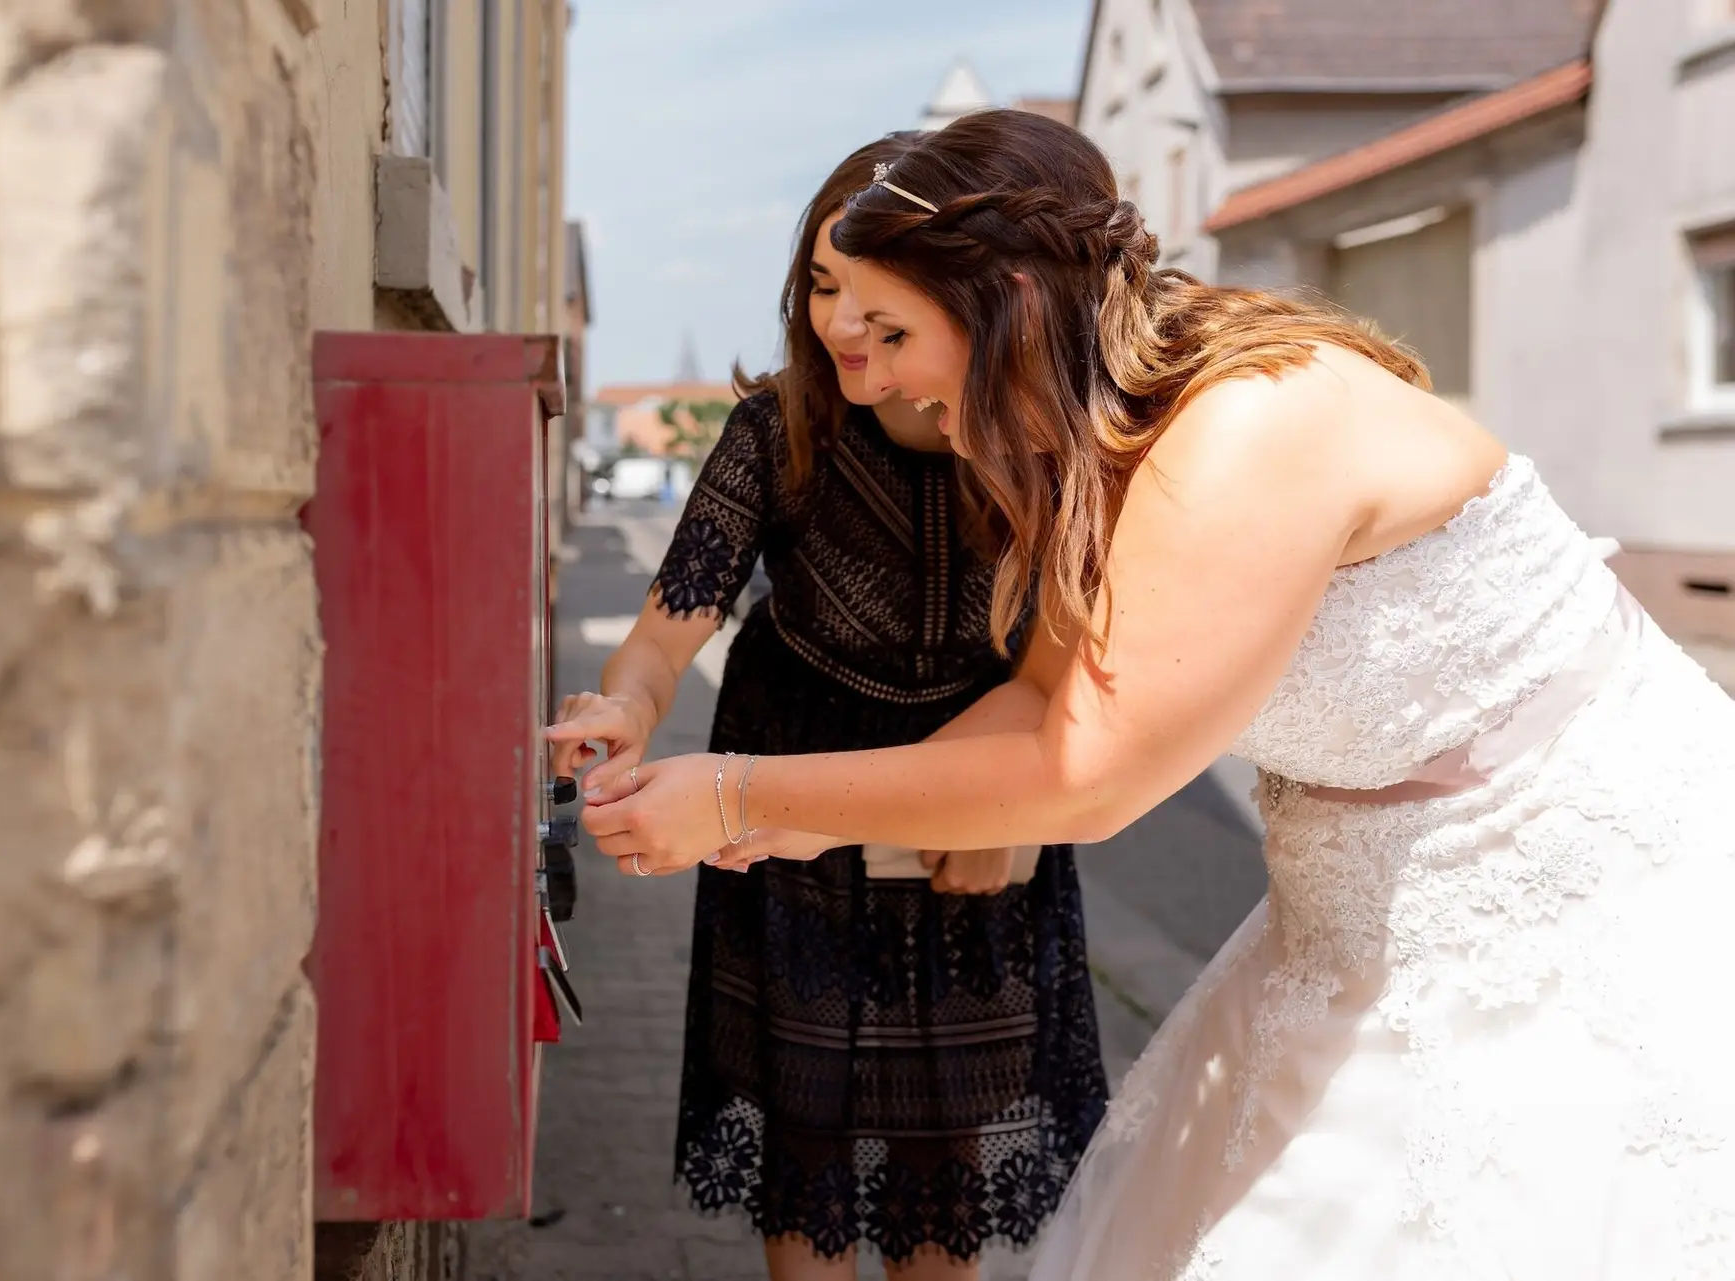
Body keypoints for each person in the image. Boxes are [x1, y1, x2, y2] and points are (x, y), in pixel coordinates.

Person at [581, 107, 1735, 1279]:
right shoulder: (1082, 426)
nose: (857, 355)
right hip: (1355, 899)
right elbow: (1040, 700)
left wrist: (733, 797)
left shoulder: (1239, 428)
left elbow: (1085, 775)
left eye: (890, 324)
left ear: (1013, 306)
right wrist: (778, 818)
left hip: (1561, 887)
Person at [544, 133, 1108, 1280]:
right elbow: (662, 636)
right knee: (806, 1143)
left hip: (975, 800)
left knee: (940, 1161)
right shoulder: (776, 431)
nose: (843, 325)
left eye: (875, 303)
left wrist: (1012, 817)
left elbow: (1070, 686)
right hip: (779, 817)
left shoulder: (1044, 443)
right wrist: (625, 710)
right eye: (819, 287)